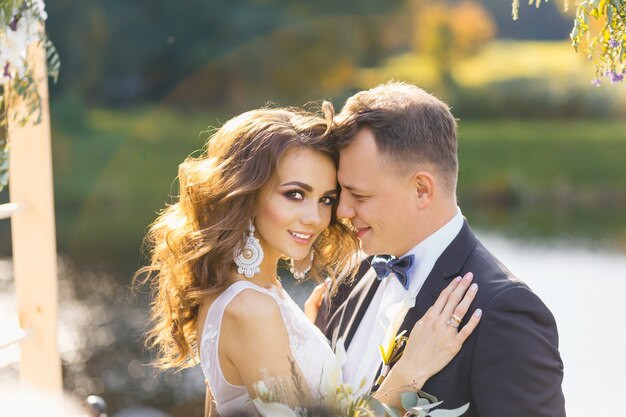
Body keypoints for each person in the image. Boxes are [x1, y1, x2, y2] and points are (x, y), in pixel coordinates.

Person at [137, 105, 481, 416]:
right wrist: (408, 374)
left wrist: (305, 338)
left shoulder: (245, 291)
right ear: (246, 193)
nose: (315, 218)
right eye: (295, 194)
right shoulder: (252, 308)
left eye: (326, 199)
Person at [312, 81, 566, 417]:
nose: (343, 210)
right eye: (341, 192)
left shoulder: (502, 312)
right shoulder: (347, 279)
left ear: (421, 189)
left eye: (359, 196)